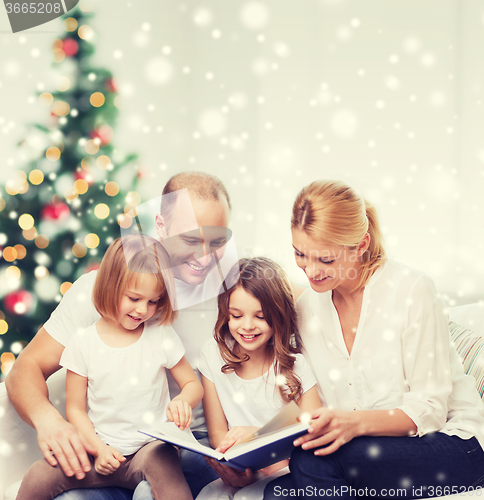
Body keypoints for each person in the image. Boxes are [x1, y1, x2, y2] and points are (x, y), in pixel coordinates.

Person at [6, 172, 231, 500]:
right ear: (161, 226)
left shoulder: (233, 293)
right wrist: (48, 420)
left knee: (156, 483)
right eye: (192, 241)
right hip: (106, 448)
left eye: (218, 241)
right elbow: (24, 370)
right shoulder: (98, 292)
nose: (205, 257)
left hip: (183, 446)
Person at [263, 180, 484, 499]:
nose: (311, 271)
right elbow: (310, 399)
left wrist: (354, 424)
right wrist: (257, 449)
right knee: (277, 493)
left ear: (361, 244)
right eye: (300, 254)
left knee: (311, 463)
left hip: (455, 444)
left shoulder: (411, 290)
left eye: (325, 260)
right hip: (372, 452)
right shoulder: (307, 308)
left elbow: (430, 410)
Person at [16, 235, 203, 500]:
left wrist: (184, 400)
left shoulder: (160, 334)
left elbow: (192, 385)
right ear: (110, 287)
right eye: (134, 298)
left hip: (149, 449)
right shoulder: (83, 343)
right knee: (39, 475)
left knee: (164, 462)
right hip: (100, 451)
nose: (143, 310)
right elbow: (75, 410)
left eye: (153, 301)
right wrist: (98, 449)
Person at [197, 257, 321, 499]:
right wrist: (237, 467)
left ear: (278, 315)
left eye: (260, 316)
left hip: (285, 472)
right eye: (236, 315)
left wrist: (257, 438)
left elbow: (313, 435)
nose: (247, 326)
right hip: (239, 470)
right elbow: (218, 435)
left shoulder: (297, 366)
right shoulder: (213, 354)